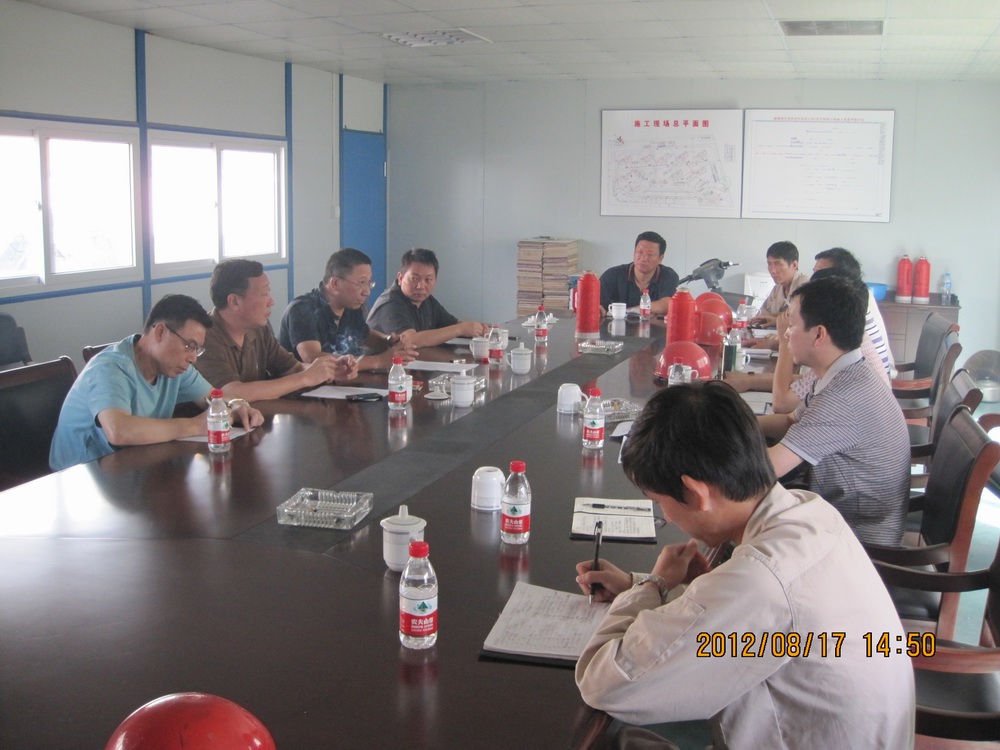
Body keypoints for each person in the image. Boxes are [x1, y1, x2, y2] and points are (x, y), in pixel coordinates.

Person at [574, 381, 914, 749]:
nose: (666, 517)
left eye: (659, 502)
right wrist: (646, 587)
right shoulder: (808, 509)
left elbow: (603, 682)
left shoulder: (760, 579)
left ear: (696, 493)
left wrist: (652, 586)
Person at [758, 276, 910, 546]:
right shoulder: (848, 370)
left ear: (819, 335)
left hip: (860, 540)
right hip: (846, 515)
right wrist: (738, 422)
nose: (786, 334)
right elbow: (790, 421)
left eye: (792, 325)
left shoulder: (844, 397)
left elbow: (767, 468)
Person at [50, 294, 264, 471]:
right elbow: (118, 430)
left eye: (197, 349)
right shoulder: (110, 368)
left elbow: (213, 397)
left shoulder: (174, 368)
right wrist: (193, 426)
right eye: (189, 346)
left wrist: (236, 404)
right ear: (160, 331)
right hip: (79, 480)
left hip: (132, 469)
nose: (193, 358)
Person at [195, 259, 358, 400]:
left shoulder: (259, 329)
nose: (271, 301)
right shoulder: (204, 336)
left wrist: (329, 369)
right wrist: (305, 378)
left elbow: (292, 369)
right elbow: (229, 393)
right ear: (234, 301)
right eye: (264, 294)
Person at [279, 248, 418, 372]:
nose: (367, 292)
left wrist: (388, 341)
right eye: (361, 283)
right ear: (335, 283)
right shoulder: (302, 309)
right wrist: (379, 361)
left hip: (342, 382)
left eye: (369, 283)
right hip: (304, 390)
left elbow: (364, 335)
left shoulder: (351, 305)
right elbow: (312, 358)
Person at [366, 248, 488, 346]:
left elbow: (451, 325)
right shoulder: (390, 304)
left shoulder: (427, 300)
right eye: (414, 278)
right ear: (400, 278)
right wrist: (460, 329)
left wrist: (477, 328)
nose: (421, 286)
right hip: (383, 368)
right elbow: (410, 340)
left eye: (428, 280)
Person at [814, 246, 894, 378]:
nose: (815, 279)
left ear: (839, 277)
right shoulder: (854, 295)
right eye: (815, 272)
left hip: (869, 379)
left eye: (821, 273)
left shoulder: (848, 304)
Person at [599, 231, 679, 315]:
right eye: (640, 252)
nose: (643, 258)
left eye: (650, 254)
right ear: (634, 253)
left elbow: (667, 304)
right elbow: (596, 303)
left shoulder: (668, 276)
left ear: (660, 258)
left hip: (653, 324)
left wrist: (629, 311)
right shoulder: (612, 275)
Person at [749, 241, 808, 327]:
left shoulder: (805, 284)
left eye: (778, 264)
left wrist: (776, 320)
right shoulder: (777, 288)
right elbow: (761, 315)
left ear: (794, 265)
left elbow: (802, 318)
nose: (772, 270)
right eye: (769, 263)